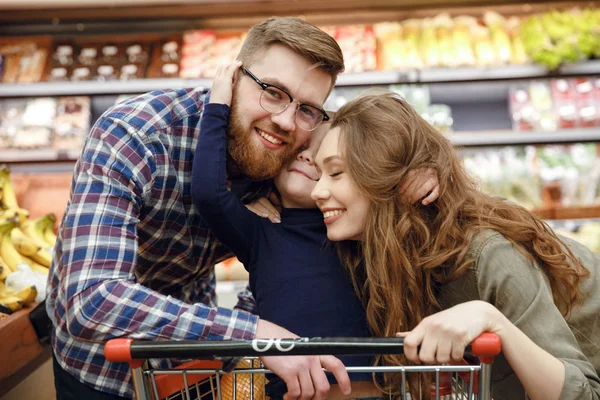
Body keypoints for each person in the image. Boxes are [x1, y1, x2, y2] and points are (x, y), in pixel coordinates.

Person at [47, 17, 353, 400]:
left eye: (308, 108)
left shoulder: (292, 160)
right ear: (235, 77)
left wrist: (425, 176)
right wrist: (253, 333)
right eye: (272, 92)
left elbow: (293, 254)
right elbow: (90, 300)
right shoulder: (135, 135)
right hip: (101, 366)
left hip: (197, 362)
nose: (286, 121)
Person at [311, 92, 600, 400]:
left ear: (391, 178)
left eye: (336, 173)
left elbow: (583, 394)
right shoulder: (384, 252)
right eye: (317, 174)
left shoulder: (489, 254)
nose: (317, 191)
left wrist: (491, 320)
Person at [191, 62, 439, 400]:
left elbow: (415, 208)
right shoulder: (260, 230)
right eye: (297, 150)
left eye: (328, 164)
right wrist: (219, 104)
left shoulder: (359, 229)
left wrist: (428, 174)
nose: (308, 159)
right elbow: (208, 192)